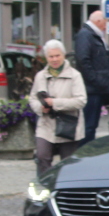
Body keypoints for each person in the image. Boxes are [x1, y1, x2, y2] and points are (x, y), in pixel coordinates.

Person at [28, 40, 86, 176]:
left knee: (67, 164)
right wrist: (41, 108)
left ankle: (66, 190)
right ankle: (45, 188)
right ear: (46, 58)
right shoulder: (40, 76)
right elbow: (32, 98)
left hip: (68, 126)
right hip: (46, 125)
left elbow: (81, 101)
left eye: (57, 56)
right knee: (42, 157)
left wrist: (55, 103)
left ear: (63, 55)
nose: (54, 59)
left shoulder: (74, 75)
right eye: (51, 56)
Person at [74, 9, 109, 142]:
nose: (106, 26)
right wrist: (96, 81)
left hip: (96, 88)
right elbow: (83, 61)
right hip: (91, 89)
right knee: (88, 126)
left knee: (92, 125)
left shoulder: (94, 35)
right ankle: (84, 152)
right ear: (98, 21)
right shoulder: (86, 35)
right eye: (105, 22)